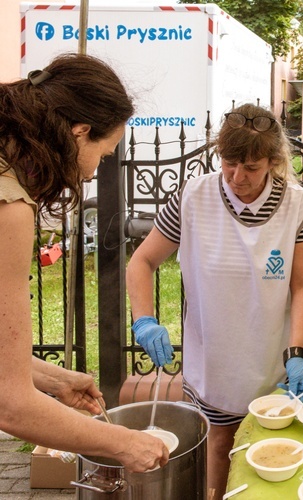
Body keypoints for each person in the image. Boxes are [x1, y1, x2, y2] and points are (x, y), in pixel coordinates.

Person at [126, 103, 303, 496]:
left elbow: (302, 284)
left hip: (271, 359)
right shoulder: (194, 197)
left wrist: (296, 350)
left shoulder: (299, 207)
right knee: (219, 444)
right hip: (213, 357)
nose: (237, 177)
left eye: (251, 167)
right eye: (229, 163)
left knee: (270, 448)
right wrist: (144, 319)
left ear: (274, 161)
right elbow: (142, 261)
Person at [0, 53, 168, 472]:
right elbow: (11, 403)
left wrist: (55, 380)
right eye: (104, 153)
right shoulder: (9, 205)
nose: (94, 172)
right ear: (79, 132)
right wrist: (123, 443)